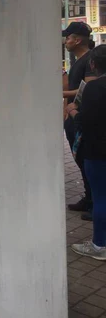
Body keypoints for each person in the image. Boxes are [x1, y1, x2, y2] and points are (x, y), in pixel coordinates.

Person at [67, 44, 106, 260]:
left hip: (98, 151)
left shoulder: (94, 88)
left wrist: (72, 111)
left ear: (93, 64)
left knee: (101, 197)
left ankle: (99, 245)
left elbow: (84, 122)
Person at [63, 22, 96, 218]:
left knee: (86, 159)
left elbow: (90, 88)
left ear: (77, 40)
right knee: (80, 159)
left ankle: (94, 202)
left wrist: (61, 92)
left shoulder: (90, 60)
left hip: (83, 118)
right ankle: (89, 198)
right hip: (73, 117)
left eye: (68, 37)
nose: (65, 41)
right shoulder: (78, 60)